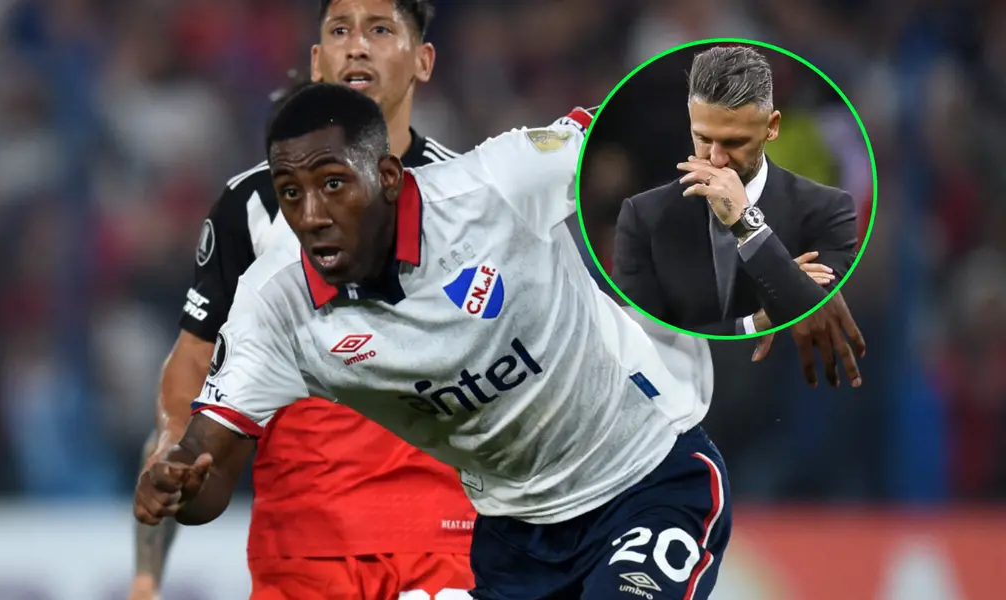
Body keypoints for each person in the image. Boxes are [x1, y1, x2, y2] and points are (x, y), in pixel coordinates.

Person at [135, 82, 732, 600]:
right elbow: (209, 466)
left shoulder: (496, 184)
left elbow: (659, 128)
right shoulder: (276, 305)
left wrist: (785, 274)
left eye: (334, 184)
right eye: (291, 193)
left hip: (645, 479)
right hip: (514, 539)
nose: (312, 214)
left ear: (389, 177)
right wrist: (181, 481)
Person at [128, 2, 478, 599]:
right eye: (339, 30)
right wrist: (170, 448)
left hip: (441, 541)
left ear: (423, 61)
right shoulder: (251, 206)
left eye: (379, 30)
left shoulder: (472, 196)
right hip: (300, 547)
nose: (357, 46)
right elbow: (195, 360)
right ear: (317, 61)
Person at [611, 45, 866, 387]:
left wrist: (745, 222)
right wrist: (754, 322)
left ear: (771, 127)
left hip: (793, 394)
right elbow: (646, 341)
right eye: (702, 138)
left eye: (734, 141)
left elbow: (817, 308)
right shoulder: (644, 216)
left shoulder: (828, 209)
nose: (716, 159)